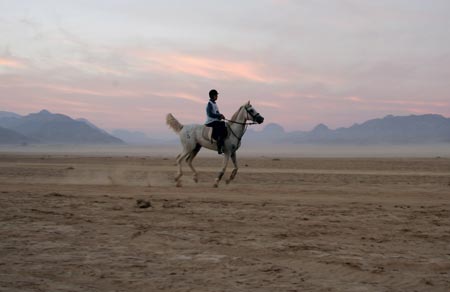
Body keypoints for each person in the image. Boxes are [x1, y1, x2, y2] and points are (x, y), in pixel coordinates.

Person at [205, 89, 227, 154]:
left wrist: (220, 117)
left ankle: (222, 142)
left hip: (215, 121)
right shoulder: (210, 104)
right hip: (210, 122)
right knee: (220, 127)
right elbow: (210, 114)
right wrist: (219, 115)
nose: (217, 96)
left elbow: (216, 113)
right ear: (213, 96)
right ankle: (219, 147)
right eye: (216, 95)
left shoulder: (214, 104)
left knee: (223, 124)